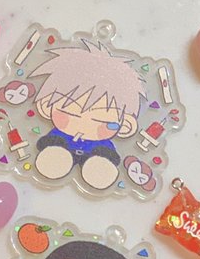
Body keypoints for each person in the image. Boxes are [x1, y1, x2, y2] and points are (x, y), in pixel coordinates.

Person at [29, 42, 144, 190]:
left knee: (101, 161)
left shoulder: (103, 145)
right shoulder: (57, 136)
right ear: (46, 106)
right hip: (60, 148)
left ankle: (98, 168)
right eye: (71, 114)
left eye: (100, 121)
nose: (84, 124)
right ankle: (56, 158)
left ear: (125, 126)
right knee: (55, 151)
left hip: (96, 155)